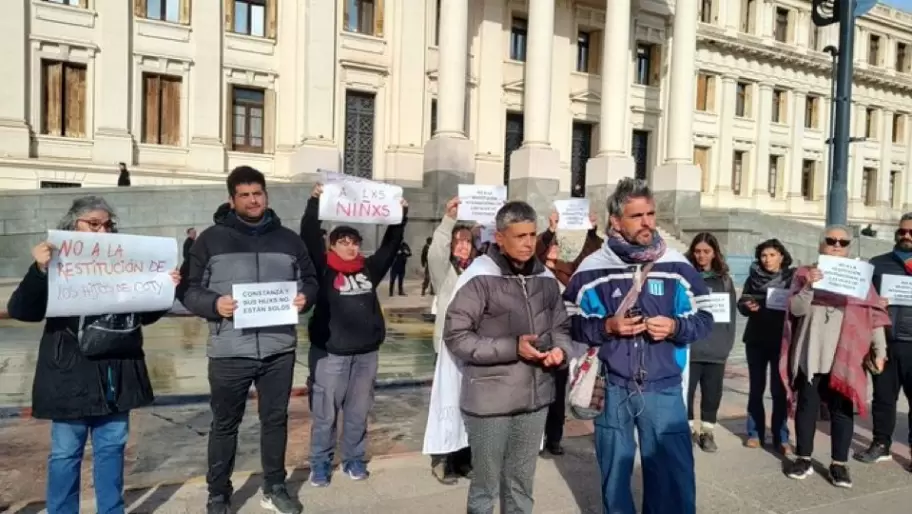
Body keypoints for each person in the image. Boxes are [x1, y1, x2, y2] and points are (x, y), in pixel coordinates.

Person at [6, 195, 179, 514]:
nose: (103, 231)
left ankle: (111, 510)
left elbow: (144, 316)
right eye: (95, 224)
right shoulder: (55, 261)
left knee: (112, 449)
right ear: (73, 226)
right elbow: (21, 310)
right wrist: (39, 271)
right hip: (68, 374)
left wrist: (164, 289)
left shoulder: (126, 262)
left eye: (108, 225)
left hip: (117, 371)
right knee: (65, 453)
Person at [563, 178, 713, 514]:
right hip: (612, 388)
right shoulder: (592, 268)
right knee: (615, 477)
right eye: (637, 216)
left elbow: (706, 317)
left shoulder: (676, 264)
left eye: (650, 214)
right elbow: (567, 321)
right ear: (615, 221)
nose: (647, 222)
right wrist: (606, 326)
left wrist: (676, 327)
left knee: (672, 479)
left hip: (664, 389)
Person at [183, 166, 319, 514]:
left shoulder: (290, 239)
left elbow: (311, 280)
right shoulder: (210, 239)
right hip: (230, 350)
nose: (252, 199)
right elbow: (188, 289)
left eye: (257, 193)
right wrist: (214, 304)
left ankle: (274, 487)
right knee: (225, 424)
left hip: (278, 349)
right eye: (244, 194)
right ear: (232, 200)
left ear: (266, 196)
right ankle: (218, 493)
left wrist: (305, 297)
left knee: (275, 420)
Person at [443, 200, 571, 514]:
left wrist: (561, 350)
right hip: (489, 401)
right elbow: (457, 336)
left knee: (521, 484)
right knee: (485, 486)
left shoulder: (545, 280)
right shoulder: (479, 278)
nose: (529, 243)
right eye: (520, 236)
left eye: (532, 235)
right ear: (500, 238)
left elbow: (561, 326)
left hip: (535, 399)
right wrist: (512, 347)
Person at [300, 183, 409, 487]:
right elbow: (308, 234)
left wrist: (401, 214)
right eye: (344, 241)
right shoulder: (322, 268)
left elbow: (391, 244)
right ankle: (320, 463)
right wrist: (315, 204)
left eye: (355, 242)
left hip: (366, 354)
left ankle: (354, 459)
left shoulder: (368, 269)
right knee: (325, 414)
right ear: (332, 245)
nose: (351, 247)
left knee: (358, 413)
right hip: (331, 354)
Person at [781, 225, 889, 488]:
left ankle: (839, 464)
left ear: (849, 247)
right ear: (821, 245)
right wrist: (808, 286)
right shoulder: (805, 273)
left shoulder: (860, 276)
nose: (837, 246)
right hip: (813, 351)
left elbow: (873, 316)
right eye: (831, 241)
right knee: (807, 407)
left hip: (847, 354)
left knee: (842, 410)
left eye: (843, 242)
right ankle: (803, 458)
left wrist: (880, 350)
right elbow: (795, 309)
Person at [534, 209, 602, 456]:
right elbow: (535, 251)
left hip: (563, 343)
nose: (553, 250)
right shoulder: (536, 271)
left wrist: (592, 231)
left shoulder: (569, 274)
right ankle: (536, 437)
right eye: (550, 246)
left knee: (558, 393)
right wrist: (550, 230)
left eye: (556, 246)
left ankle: (554, 438)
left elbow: (588, 256)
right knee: (537, 392)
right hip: (538, 341)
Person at [424, 197, 477, 484]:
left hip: (472, 348)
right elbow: (435, 252)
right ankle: (441, 460)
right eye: (458, 241)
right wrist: (448, 220)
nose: (462, 245)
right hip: (446, 348)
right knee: (444, 403)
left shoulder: (479, 270)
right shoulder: (444, 272)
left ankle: (464, 459)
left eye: (467, 241)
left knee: (469, 404)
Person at [858, 213, 912, 465]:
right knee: (883, 398)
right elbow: (862, 300)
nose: (906, 236)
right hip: (885, 343)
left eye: (911, 232)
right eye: (902, 231)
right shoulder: (878, 264)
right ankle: (881, 443)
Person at [737, 238, 795, 452]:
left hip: (782, 340)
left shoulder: (792, 277)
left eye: (771, 255)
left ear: (781, 256)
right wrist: (747, 305)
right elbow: (742, 301)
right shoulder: (753, 277)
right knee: (756, 388)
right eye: (763, 255)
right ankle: (754, 432)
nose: (767, 259)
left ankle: (781, 436)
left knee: (779, 390)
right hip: (756, 339)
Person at [684, 232, 737, 453]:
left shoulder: (724, 280)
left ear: (714, 253)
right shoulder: (685, 276)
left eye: (706, 251)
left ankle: (707, 431)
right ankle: (686, 429)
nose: (701, 256)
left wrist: (726, 345)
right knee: (686, 391)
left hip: (716, 348)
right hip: (690, 346)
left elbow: (731, 318)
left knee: (712, 392)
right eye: (697, 251)